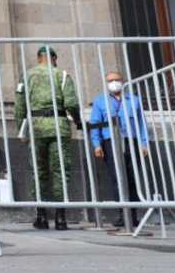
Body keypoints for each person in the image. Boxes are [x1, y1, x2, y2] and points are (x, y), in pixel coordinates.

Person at [14, 46, 81, 231]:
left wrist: (21, 129)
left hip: (36, 127)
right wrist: (78, 121)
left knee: (38, 171)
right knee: (60, 171)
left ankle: (41, 216)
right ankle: (61, 217)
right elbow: (71, 103)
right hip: (59, 127)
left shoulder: (27, 76)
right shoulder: (63, 75)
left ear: (38, 59)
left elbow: (20, 105)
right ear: (54, 58)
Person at [88, 71, 149, 228]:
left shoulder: (134, 100)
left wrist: (144, 143)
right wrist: (97, 144)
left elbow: (142, 124)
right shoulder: (100, 101)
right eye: (110, 80)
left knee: (132, 178)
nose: (113, 83)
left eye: (116, 80)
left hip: (130, 140)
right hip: (111, 141)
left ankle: (133, 214)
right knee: (117, 178)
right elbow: (95, 123)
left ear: (123, 81)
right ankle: (122, 213)